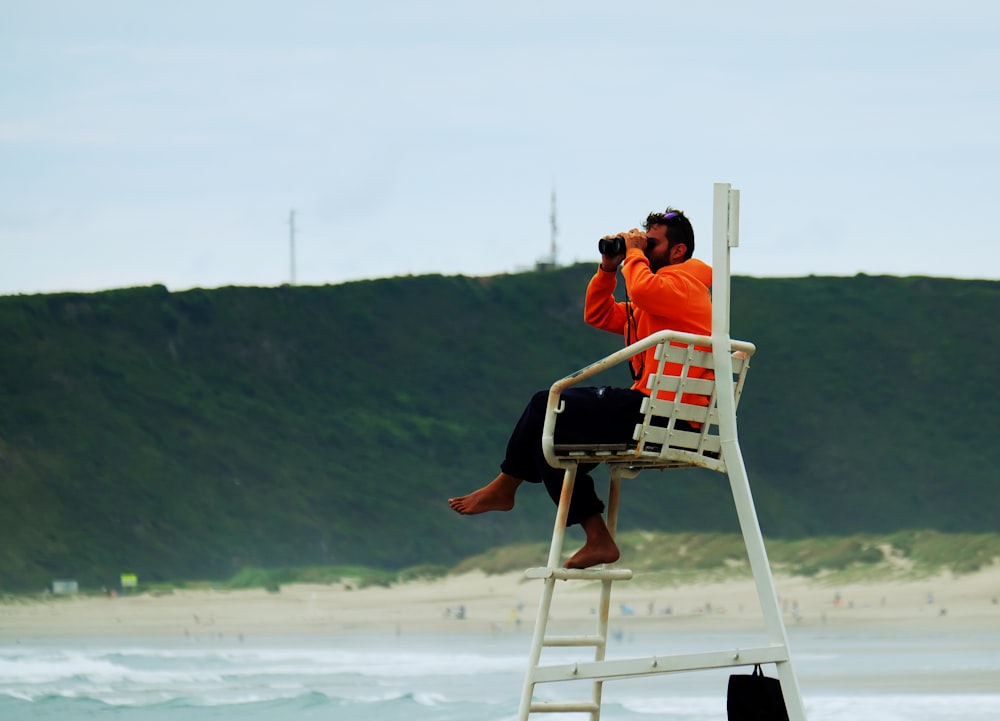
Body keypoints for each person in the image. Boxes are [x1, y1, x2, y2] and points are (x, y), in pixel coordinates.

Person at [448, 208, 712, 569]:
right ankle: (597, 538)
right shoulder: (656, 300)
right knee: (549, 442)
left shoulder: (687, 286)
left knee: (546, 404)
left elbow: (643, 289)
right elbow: (598, 315)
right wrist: (607, 267)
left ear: (678, 251)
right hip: (653, 409)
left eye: (651, 243)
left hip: (663, 412)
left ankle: (505, 486)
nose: (641, 247)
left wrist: (632, 255)